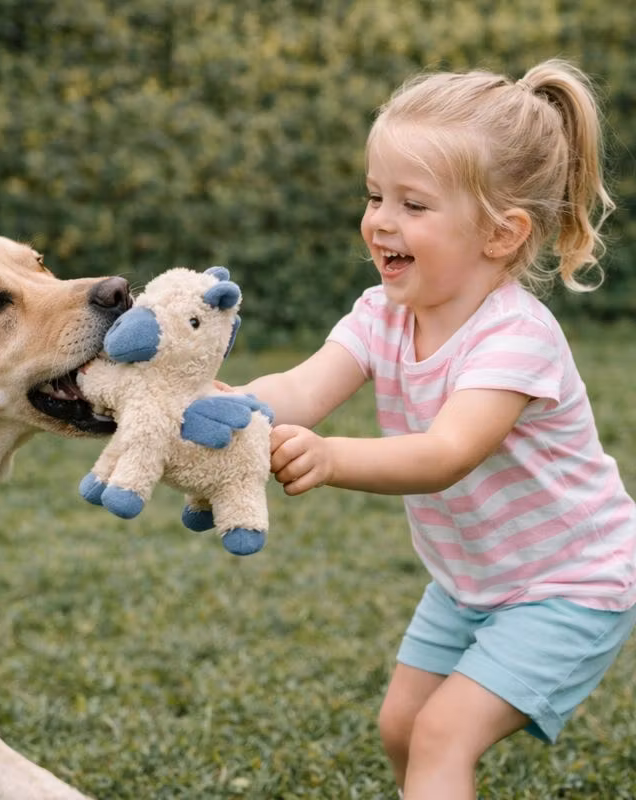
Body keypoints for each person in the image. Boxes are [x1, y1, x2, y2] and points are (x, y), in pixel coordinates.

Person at [232, 59, 636, 799]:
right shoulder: (381, 313)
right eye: (375, 195)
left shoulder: (516, 339)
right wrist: (226, 404)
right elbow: (298, 389)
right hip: (469, 581)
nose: (381, 220)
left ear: (501, 234)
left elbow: (446, 453)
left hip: (569, 582)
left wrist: (331, 458)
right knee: (403, 726)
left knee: (444, 734)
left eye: (413, 204)